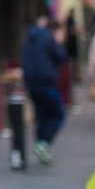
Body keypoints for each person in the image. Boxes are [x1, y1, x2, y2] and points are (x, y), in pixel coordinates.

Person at [21, 16, 67, 165]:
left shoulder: (30, 37)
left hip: (31, 81)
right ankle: (43, 143)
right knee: (58, 114)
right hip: (46, 81)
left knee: (41, 114)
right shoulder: (49, 38)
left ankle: (41, 144)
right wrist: (59, 42)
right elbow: (61, 55)